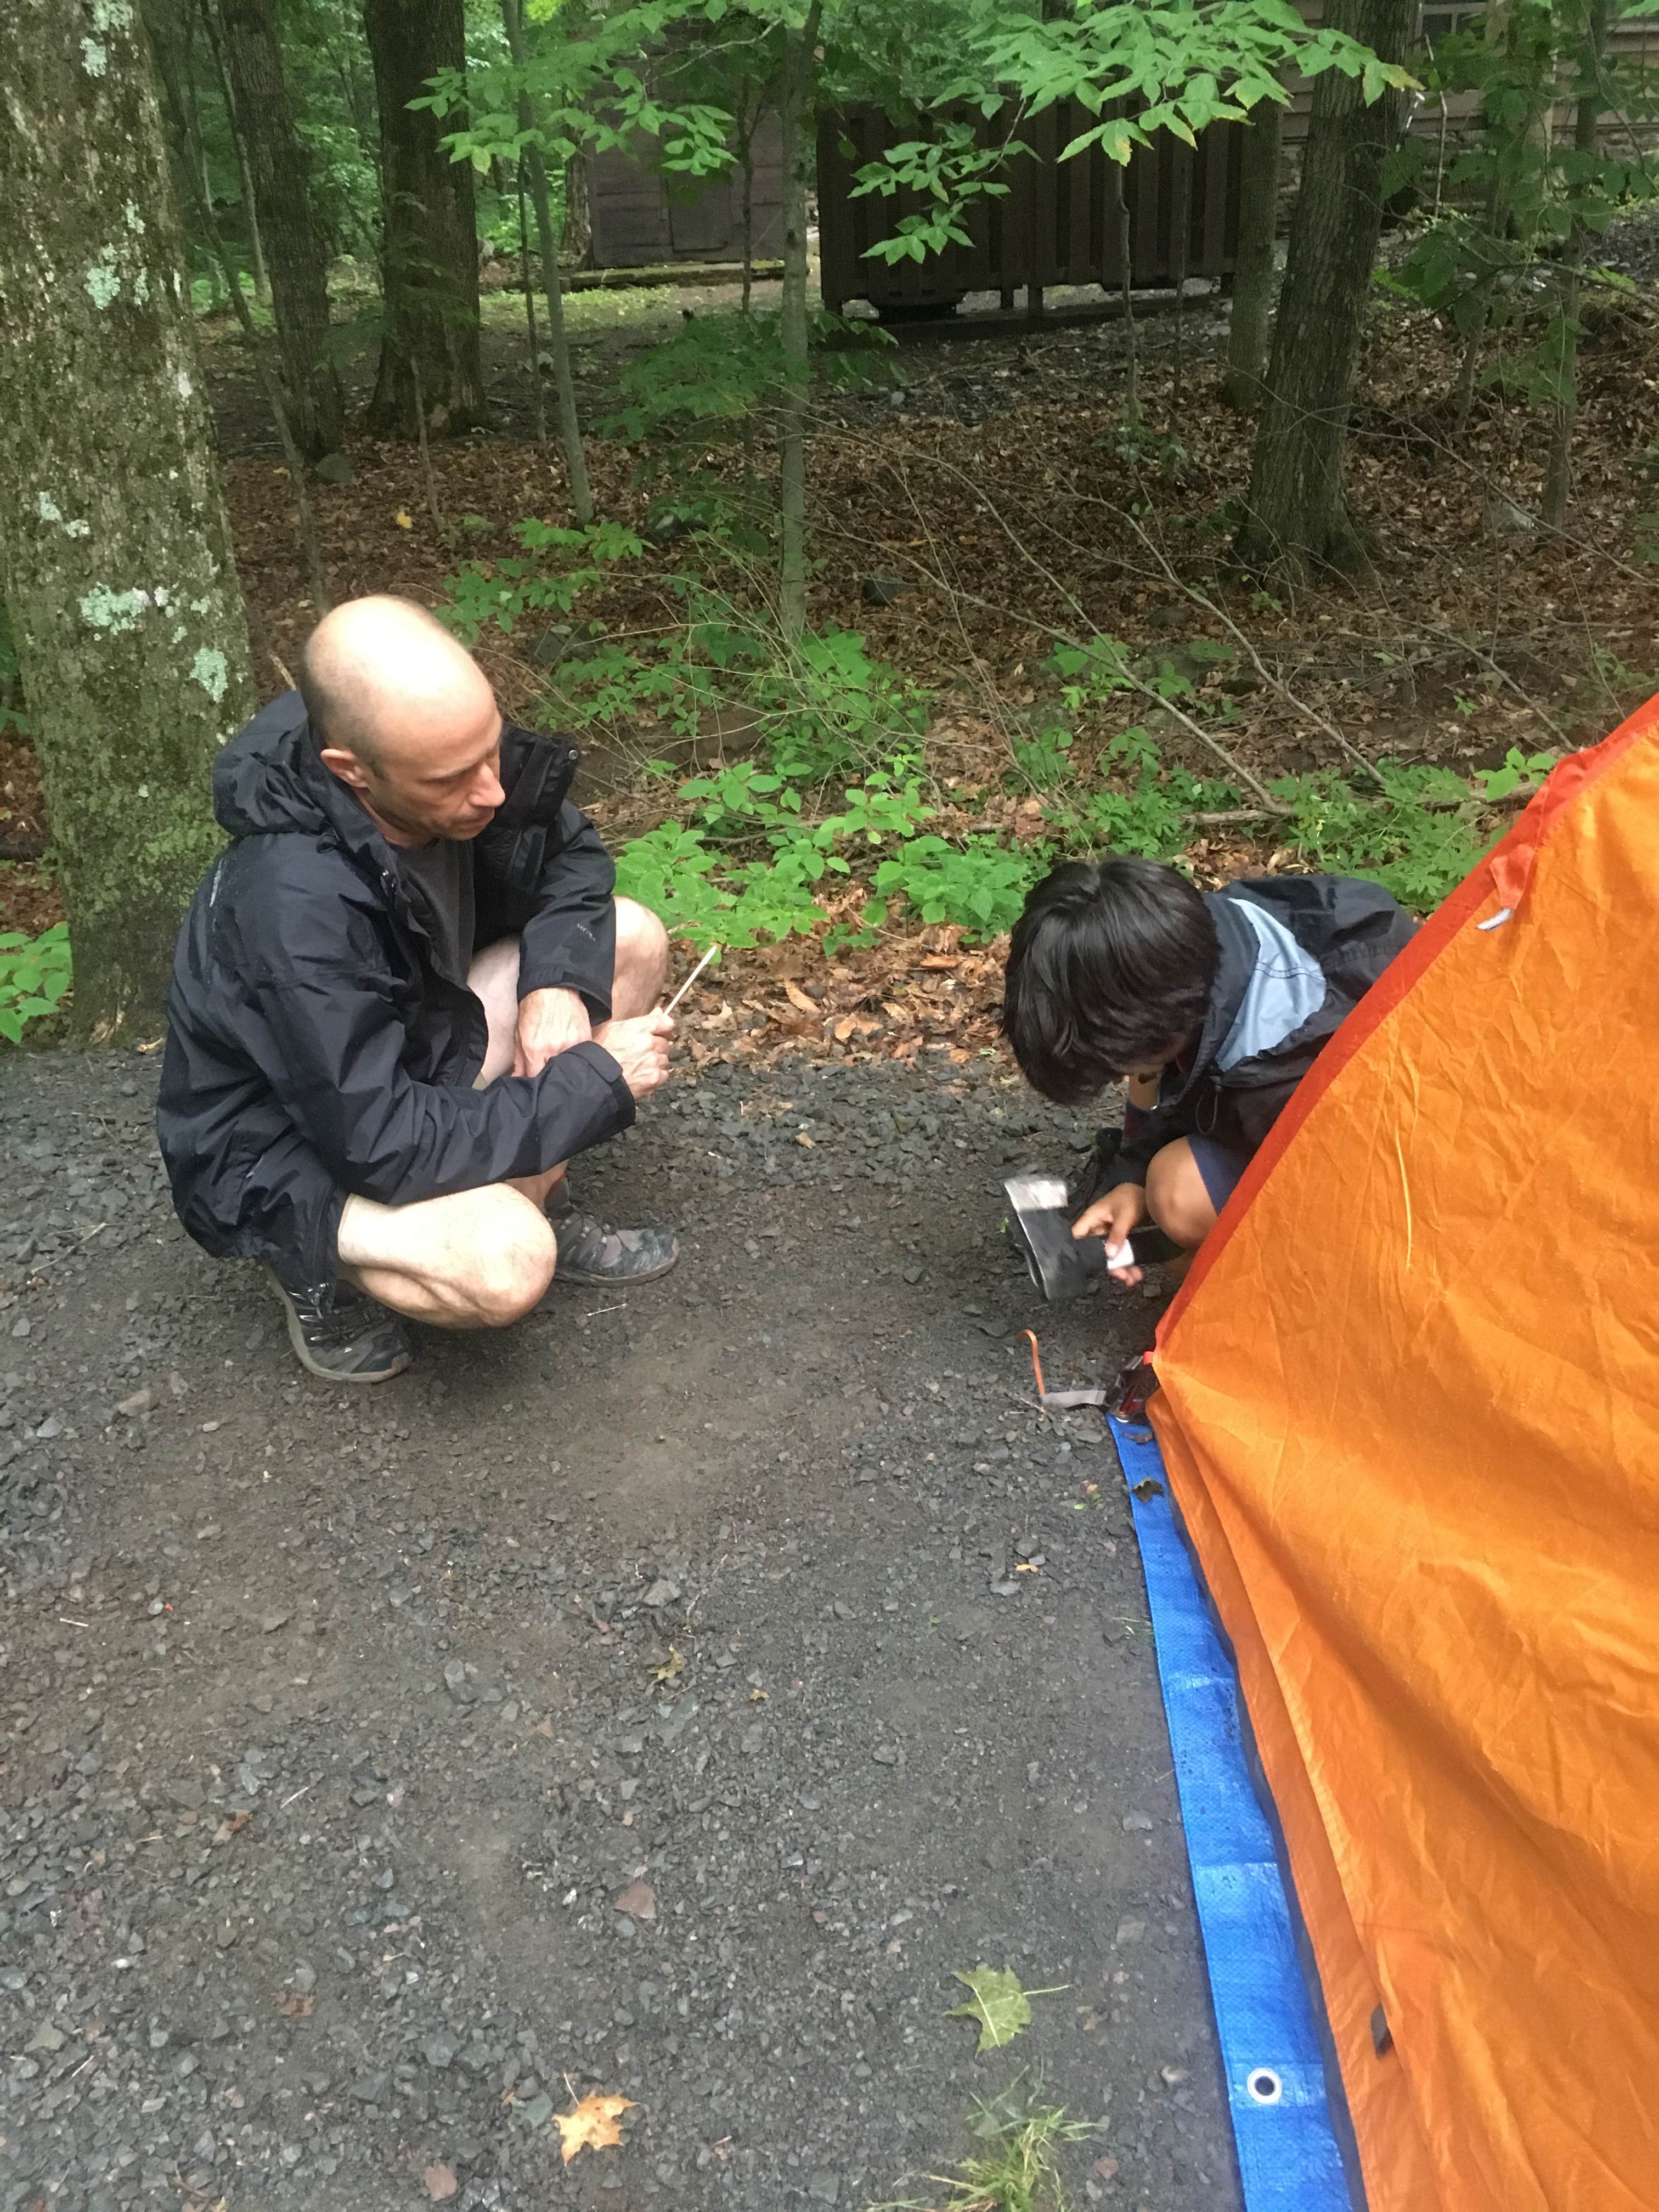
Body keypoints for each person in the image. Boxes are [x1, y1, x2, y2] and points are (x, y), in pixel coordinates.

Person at [157, 594, 680, 1384]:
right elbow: (380, 1141)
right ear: (352, 770)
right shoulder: (292, 904)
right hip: (297, 1148)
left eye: (492, 752)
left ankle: (531, 1192)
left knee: (626, 935)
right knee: (505, 1264)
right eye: (453, 778)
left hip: (408, 1050)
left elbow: (574, 862)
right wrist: (593, 1085)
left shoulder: (453, 756)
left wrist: (556, 986)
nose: (493, 793)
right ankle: (308, 1261)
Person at [1001, 856, 1417, 1285]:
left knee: (1181, 1209)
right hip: (1274, 1089)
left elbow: (1363, 1206)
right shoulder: (1180, 938)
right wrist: (1131, 1179)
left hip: (1359, 1156)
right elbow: (1186, 1075)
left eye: (1115, 1068)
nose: (1116, 1078)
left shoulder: (1282, 1069)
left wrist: (1184, 1249)